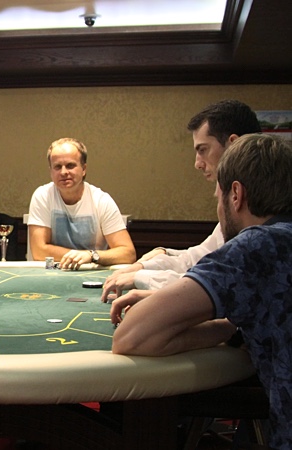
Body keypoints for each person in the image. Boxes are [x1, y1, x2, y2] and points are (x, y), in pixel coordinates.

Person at [111, 133, 292, 450]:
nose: (217, 204)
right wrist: (233, 326)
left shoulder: (258, 246)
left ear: (236, 195)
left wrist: (224, 327)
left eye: (217, 195)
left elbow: (131, 337)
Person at [101, 100, 262, 301]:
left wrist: (142, 278)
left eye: (203, 149)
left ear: (233, 144)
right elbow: (203, 258)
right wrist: (146, 265)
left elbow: (218, 280)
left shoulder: (257, 204)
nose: (197, 164)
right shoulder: (238, 197)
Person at [27, 137, 135, 269]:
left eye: (70, 165)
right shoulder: (42, 196)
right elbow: (39, 251)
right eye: (57, 167)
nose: (63, 172)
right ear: (51, 171)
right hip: (53, 272)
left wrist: (91, 255)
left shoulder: (101, 200)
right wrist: (78, 256)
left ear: (84, 169)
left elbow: (128, 253)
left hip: (92, 273)